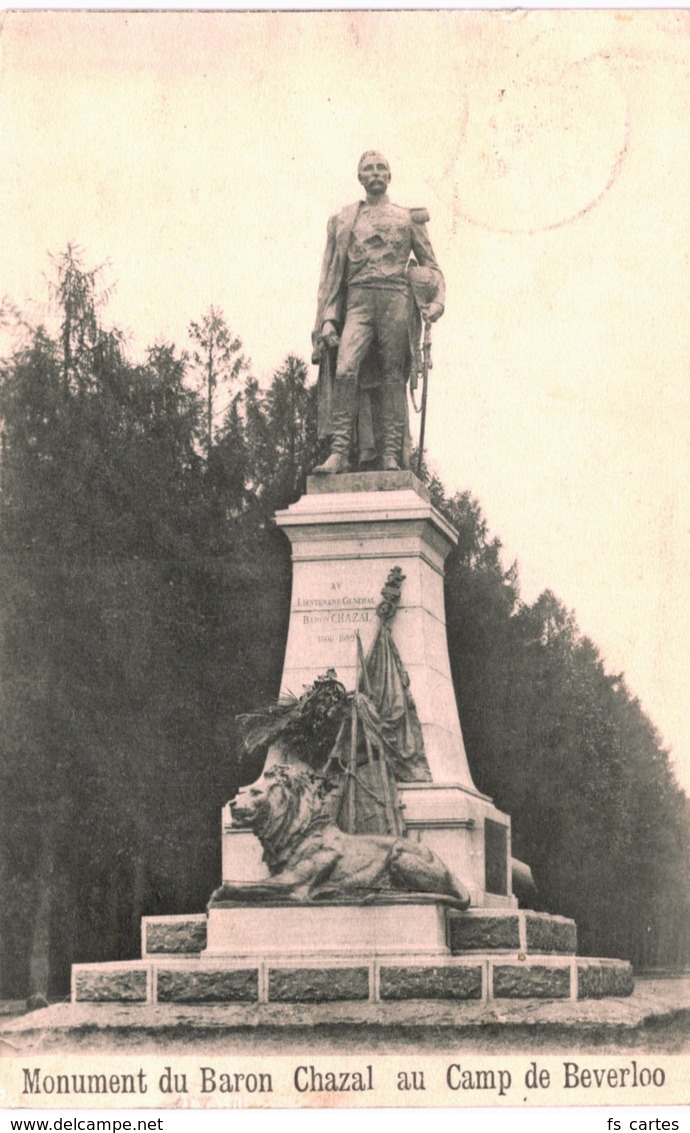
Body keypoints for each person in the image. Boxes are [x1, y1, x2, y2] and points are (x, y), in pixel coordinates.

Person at [312, 151, 445, 474]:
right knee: (345, 370)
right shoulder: (345, 220)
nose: (375, 173)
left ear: (389, 176)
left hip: (395, 299)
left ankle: (389, 453)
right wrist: (329, 318)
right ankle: (340, 452)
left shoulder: (407, 219)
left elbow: (432, 267)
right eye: (368, 169)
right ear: (360, 177)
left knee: (392, 376)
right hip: (357, 300)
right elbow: (334, 276)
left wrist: (436, 301)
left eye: (381, 168)